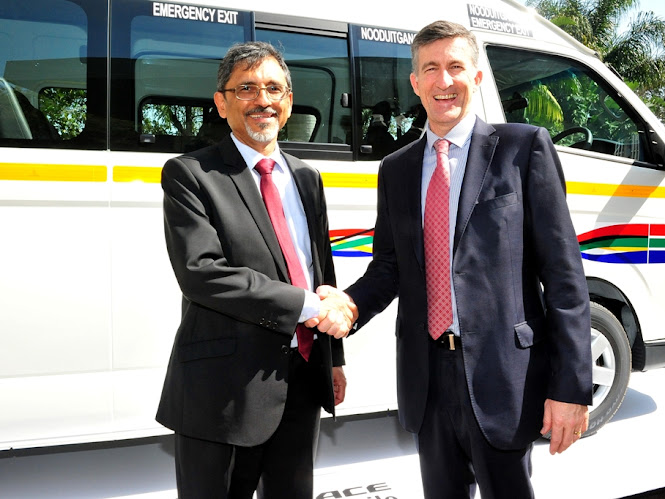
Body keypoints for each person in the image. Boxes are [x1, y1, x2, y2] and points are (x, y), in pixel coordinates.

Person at [314, 21, 592, 499]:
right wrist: (350, 306)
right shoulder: (397, 169)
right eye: (431, 69)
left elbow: (564, 277)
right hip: (427, 376)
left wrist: (571, 387)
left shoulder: (523, 148)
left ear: (477, 76)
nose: (444, 81)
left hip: (505, 374)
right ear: (415, 83)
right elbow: (389, 268)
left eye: (455, 67)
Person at [156, 41, 354, 498]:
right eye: (246, 88)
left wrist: (334, 360)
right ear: (221, 103)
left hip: (302, 380)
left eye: (273, 88)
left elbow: (319, 266)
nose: (262, 99)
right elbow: (202, 272)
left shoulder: (307, 176)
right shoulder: (190, 174)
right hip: (221, 394)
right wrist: (307, 308)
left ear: (288, 103)